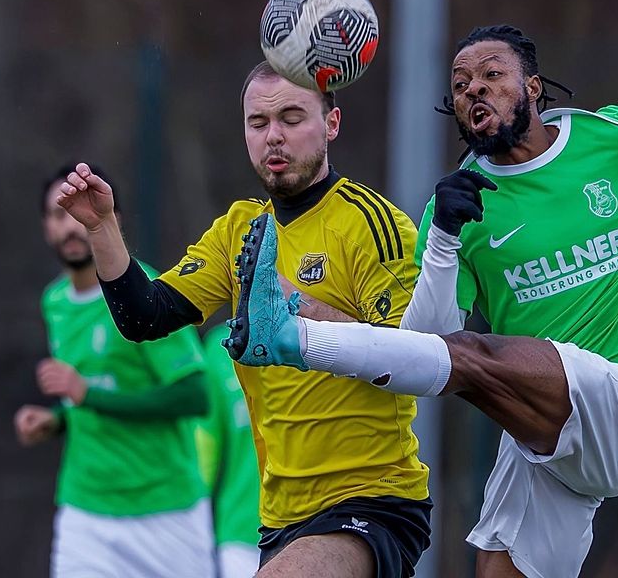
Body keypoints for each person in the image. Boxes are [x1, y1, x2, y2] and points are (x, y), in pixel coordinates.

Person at [224, 25, 618, 578]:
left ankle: (289, 335)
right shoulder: (459, 205)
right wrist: (443, 236)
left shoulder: (608, 136)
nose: (474, 89)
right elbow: (423, 348)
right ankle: (284, 327)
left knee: (476, 355)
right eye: (462, 82)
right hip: (543, 442)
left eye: (492, 75)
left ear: (534, 87)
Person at [55, 62, 432, 578]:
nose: (273, 136)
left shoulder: (373, 223)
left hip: (371, 502)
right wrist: (101, 228)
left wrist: (293, 310)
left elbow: (414, 358)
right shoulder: (239, 229)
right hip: (279, 516)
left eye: (292, 118)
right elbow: (144, 318)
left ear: (332, 123)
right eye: (258, 123)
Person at [13, 164, 214, 578]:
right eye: (57, 215)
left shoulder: (147, 293)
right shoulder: (55, 302)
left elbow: (194, 396)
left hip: (165, 511)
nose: (70, 227)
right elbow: (92, 394)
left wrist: (89, 396)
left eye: (77, 213)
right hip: (84, 511)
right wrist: (56, 420)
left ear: (110, 220)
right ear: (45, 227)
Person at [196, 323, 262, 577]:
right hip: (240, 535)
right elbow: (205, 444)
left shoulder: (323, 330)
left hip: (317, 527)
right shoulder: (219, 346)